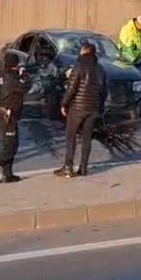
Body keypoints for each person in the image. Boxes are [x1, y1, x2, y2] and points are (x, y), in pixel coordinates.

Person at [55, 41, 107, 179]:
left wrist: (63, 104)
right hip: (93, 108)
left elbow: (71, 88)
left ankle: (68, 167)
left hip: (78, 107)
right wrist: (100, 108)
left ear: (84, 52)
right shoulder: (100, 68)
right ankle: (83, 167)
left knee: (70, 136)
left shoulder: (78, 66)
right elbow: (103, 91)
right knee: (87, 138)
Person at [0, 52, 31, 183]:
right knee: (11, 146)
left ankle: (8, 173)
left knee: (8, 143)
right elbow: (26, 86)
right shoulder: (12, 79)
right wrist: (24, 73)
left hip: (1, 112)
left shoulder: (0, 76)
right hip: (9, 115)